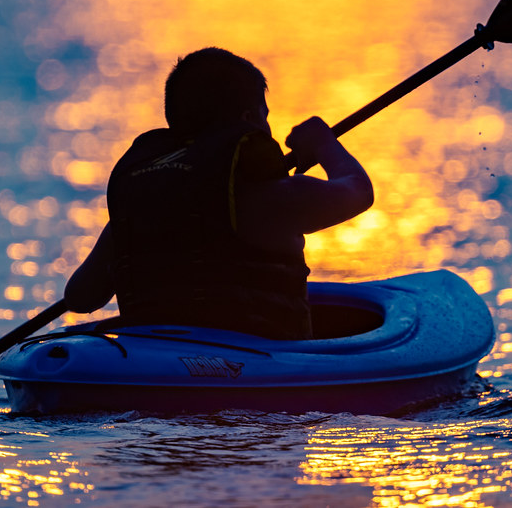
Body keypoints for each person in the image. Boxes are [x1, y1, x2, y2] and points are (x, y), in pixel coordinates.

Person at [64, 47, 373, 339]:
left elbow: (80, 296)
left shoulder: (140, 210)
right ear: (249, 120)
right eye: (265, 117)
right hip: (249, 366)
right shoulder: (270, 198)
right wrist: (324, 143)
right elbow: (359, 191)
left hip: (154, 358)